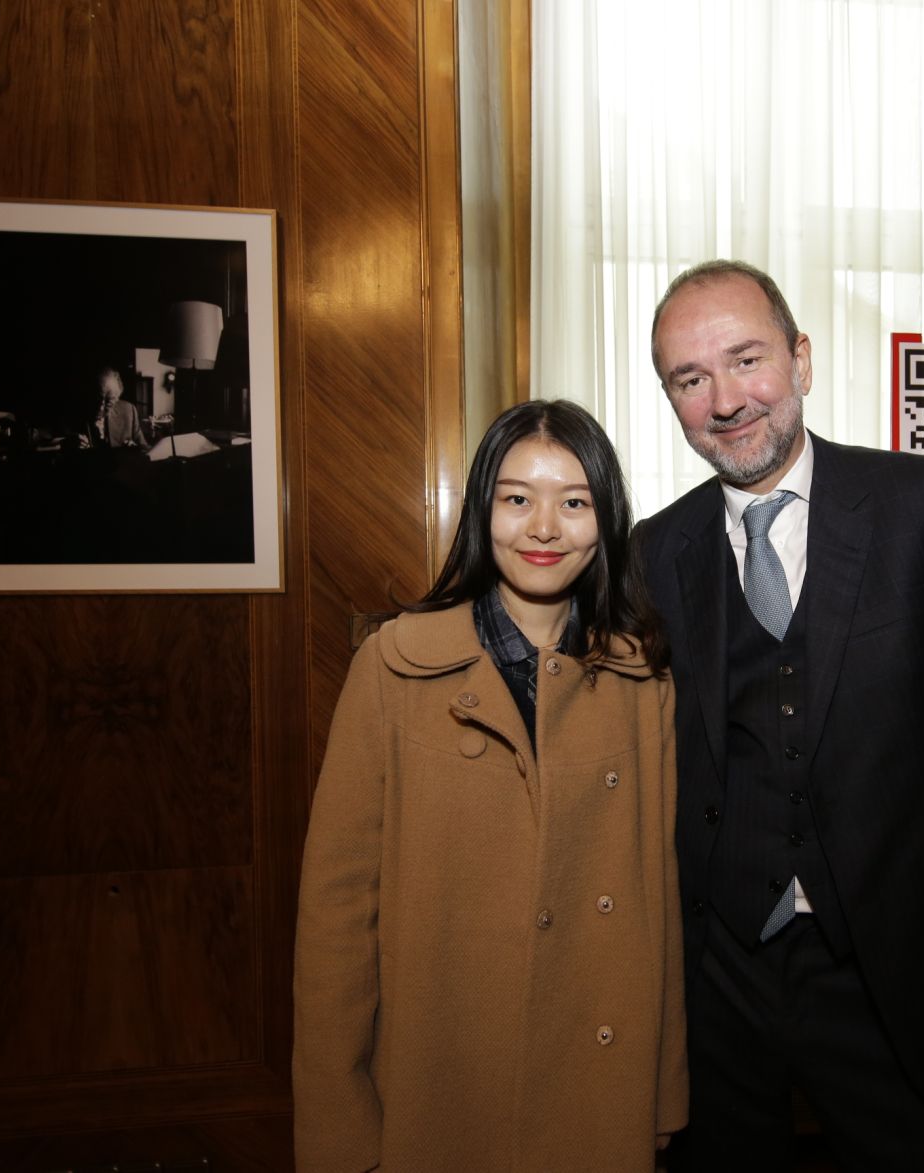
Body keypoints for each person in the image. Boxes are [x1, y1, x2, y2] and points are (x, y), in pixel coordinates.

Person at [635, 260, 924, 1171]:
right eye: (690, 378)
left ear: (801, 359)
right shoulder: (654, 551)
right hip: (719, 977)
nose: (725, 400)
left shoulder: (920, 505)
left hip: (892, 970)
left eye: (746, 359)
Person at [292, 399, 687, 1171]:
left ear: (605, 521)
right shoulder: (393, 668)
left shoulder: (643, 679)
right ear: (482, 509)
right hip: (440, 1086)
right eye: (517, 498)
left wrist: (662, 1091)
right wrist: (339, 1123)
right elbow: (336, 917)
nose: (543, 528)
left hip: (596, 1078)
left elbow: (656, 897)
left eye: (574, 503)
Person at [85, 367, 147, 449]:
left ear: (117, 398)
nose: (101, 408)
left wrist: (135, 448)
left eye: (109, 402)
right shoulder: (75, 412)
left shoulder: (129, 411)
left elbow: (144, 448)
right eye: (97, 398)